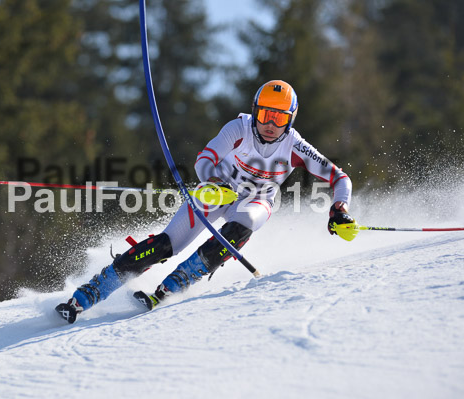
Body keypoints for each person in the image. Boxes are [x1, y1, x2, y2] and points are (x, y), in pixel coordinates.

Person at [55, 80, 354, 323]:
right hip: (216, 193)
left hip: (254, 202)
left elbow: (341, 179)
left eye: (279, 118)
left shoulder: (296, 146)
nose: (270, 125)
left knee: (244, 224)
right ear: (255, 111)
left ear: (291, 119)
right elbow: (205, 159)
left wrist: (339, 209)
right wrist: (214, 183)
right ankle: (90, 292)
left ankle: (177, 282)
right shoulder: (239, 128)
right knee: (166, 245)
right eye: (265, 114)